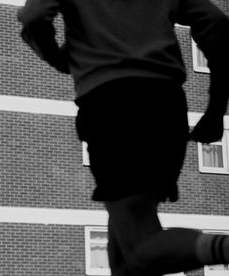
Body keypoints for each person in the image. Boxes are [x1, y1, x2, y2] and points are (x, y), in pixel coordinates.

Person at [17, 0, 229, 275]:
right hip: (166, 106)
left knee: (141, 248)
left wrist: (54, 56)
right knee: (124, 262)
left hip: (112, 106)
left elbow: (34, 16)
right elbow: (217, 23)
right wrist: (215, 109)